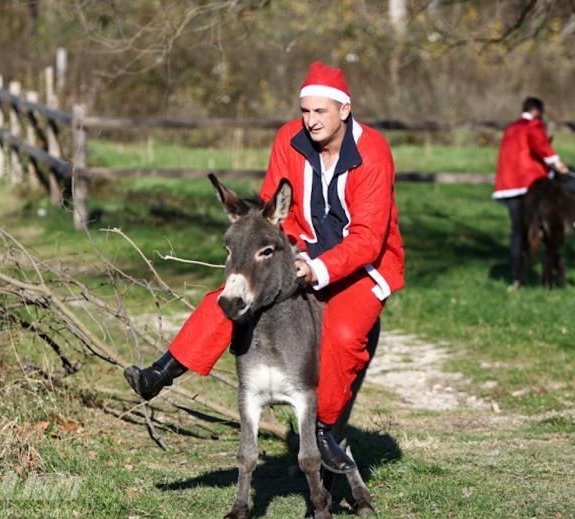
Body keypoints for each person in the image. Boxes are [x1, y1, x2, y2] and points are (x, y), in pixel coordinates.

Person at [124, 62, 405, 474]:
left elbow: (367, 237)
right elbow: (277, 209)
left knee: (344, 335)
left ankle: (324, 430)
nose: (310, 121)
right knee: (236, 297)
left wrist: (317, 269)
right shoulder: (288, 140)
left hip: (362, 264)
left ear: (344, 110)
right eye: (305, 111)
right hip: (297, 249)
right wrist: (281, 253)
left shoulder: (373, 152)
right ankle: (164, 370)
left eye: (320, 112)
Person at [494, 97, 575, 283]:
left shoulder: (511, 128)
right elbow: (541, 146)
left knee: (518, 232)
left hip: (508, 186)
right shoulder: (533, 125)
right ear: (537, 111)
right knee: (570, 176)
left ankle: (516, 277)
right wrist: (557, 162)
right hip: (530, 180)